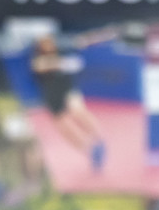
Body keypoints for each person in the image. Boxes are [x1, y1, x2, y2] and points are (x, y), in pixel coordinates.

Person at [30, 34, 106, 172]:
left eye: (48, 40)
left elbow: (76, 62)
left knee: (77, 110)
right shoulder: (36, 55)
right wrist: (59, 63)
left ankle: (100, 140)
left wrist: (61, 62)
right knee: (64, 127)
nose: (46, 43)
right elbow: (39, 66)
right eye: (42, 41)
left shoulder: (64, 47)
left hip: (67, 88)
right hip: (51, 94)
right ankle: (89, 150)